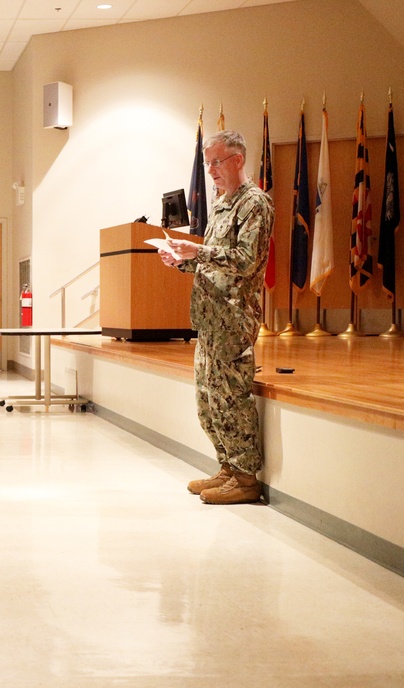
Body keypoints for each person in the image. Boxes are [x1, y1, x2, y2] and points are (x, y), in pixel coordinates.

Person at [158, 129, 275, 505]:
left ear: (238, 160)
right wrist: (180, 261)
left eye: (216, 162)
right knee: (209, 401)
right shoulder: (223, 204)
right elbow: (211, 263)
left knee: (232, 398)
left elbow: (245, 261)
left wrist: (197, 252)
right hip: (210, 316)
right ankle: (226, 468)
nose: (210, 171)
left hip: (234, 318)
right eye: (207, 163)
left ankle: (245, 478)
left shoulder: (254, 204)